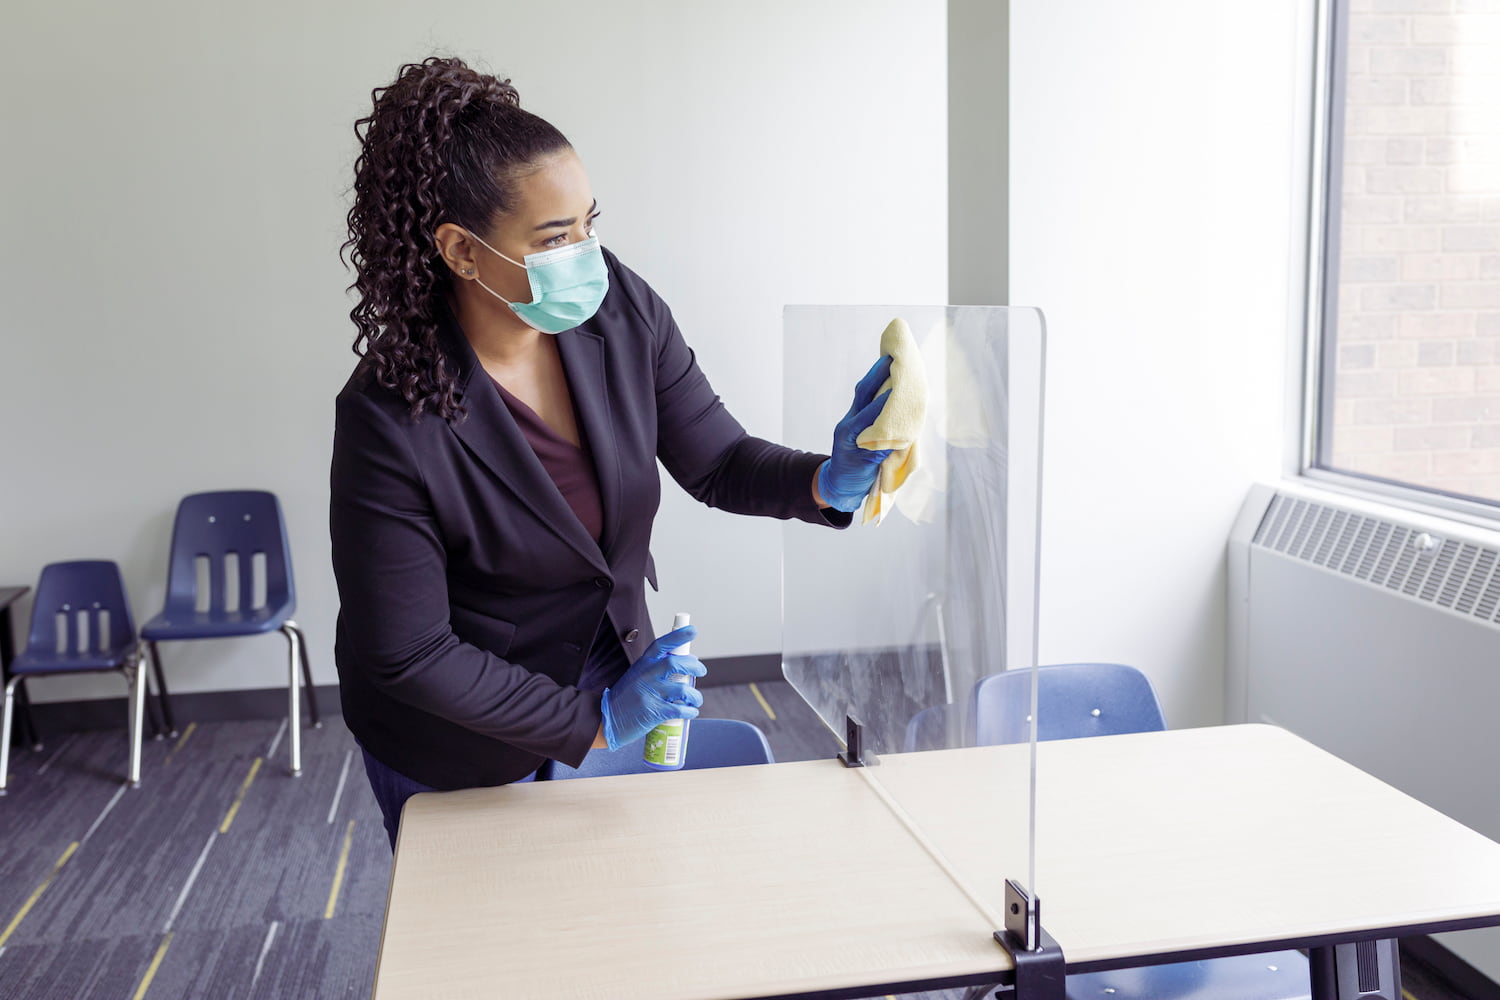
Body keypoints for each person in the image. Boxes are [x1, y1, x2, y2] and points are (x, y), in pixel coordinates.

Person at [331, 56, 891, 850]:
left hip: (603, 666)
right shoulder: (388, 416)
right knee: (494, 952)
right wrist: (590, 721)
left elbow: (717, 459)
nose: (587, 255)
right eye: (557, 237)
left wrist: (823, 482)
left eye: (591, 222)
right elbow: (410, 652)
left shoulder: (616, 309)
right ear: (460, 251)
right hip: (454, 734)